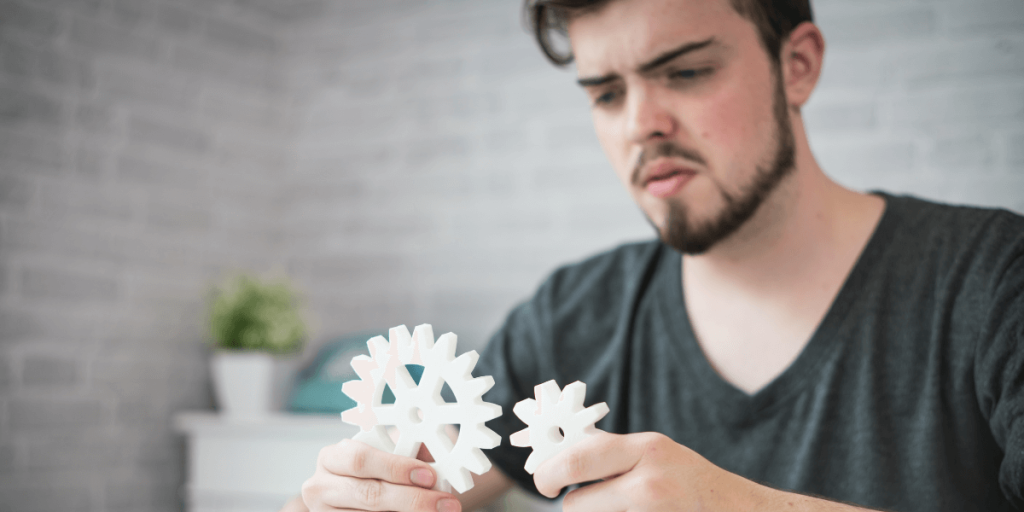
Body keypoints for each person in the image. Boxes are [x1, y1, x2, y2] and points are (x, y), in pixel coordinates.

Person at [292, 0, 1024, 511]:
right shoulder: (570, 318)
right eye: (607, 93)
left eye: (686, 72)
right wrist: (343, 496)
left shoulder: (996, 281)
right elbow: (423, 473)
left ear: (797, 65)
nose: (641, 123)